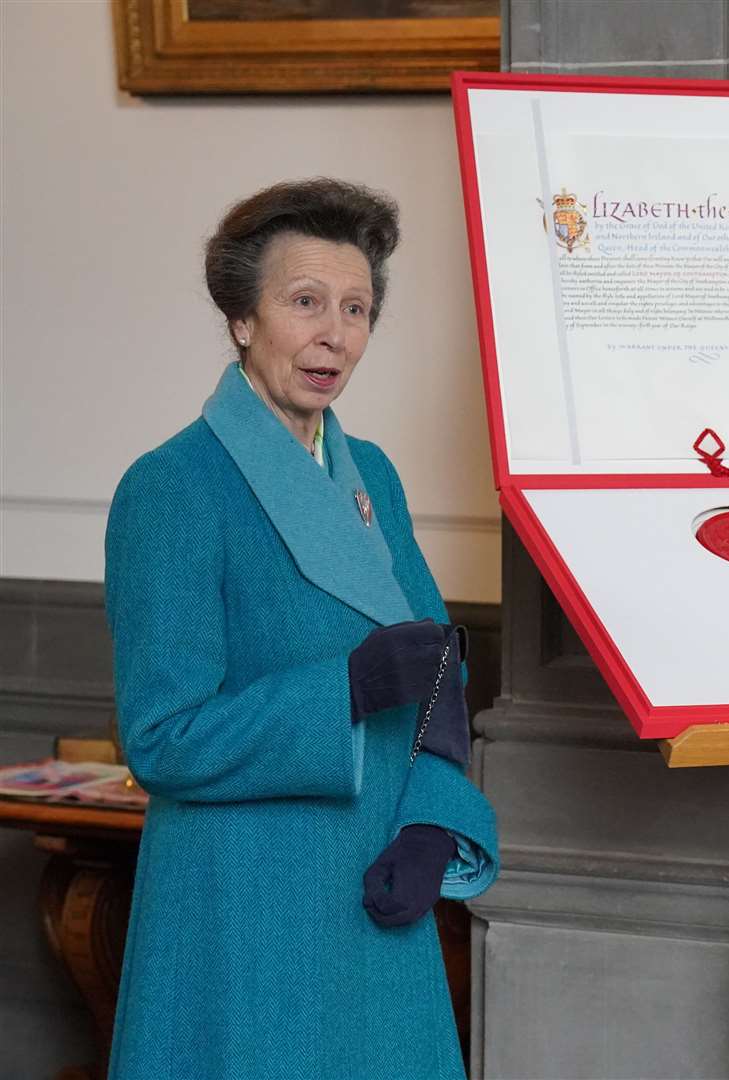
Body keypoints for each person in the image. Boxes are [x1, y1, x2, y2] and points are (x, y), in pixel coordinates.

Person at [103, 178, 498, 1079]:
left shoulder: (376, 479)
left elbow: (436, 672)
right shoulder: (171, 488)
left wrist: (433, 827)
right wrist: (345, 690)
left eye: (356, 309)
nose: (335, 334)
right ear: (243, 319)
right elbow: (162, 740)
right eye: (306, 302)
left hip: (378, 888)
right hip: (247, 911)